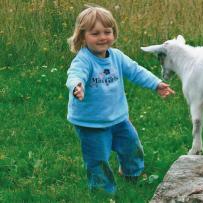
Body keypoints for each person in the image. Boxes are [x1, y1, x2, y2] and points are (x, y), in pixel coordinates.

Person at [66, 4, 174, 194]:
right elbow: (75, 74)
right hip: (91, 123)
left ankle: (132, 174)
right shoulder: (84, 59)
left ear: (114, 33)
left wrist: (156, 84)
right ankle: (103, 192)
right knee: (97, 158)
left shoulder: (117, 57)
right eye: (95, 33)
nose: (102, 37)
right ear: (83, 37)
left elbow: (135, 71)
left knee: (132, 146)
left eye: (107, 32)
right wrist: (77, 86)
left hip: (119, 119)